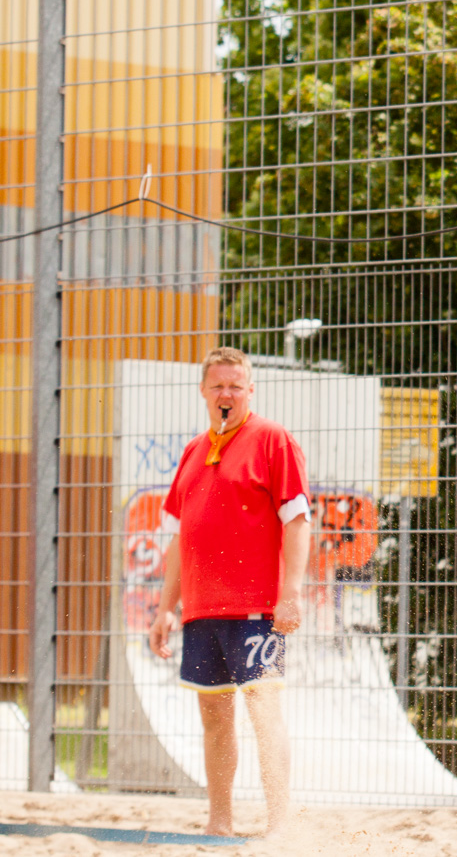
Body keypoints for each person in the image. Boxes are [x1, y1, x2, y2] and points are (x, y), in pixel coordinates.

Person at [147, 347, 311, 837]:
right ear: (203, 390)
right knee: (215, 718)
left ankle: (279, 822)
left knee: (263, 710)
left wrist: (292, 593)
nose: (226, 394)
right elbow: (180, 536)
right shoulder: (194, 451)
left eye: (236, 386)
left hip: (256, 608)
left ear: (250, 390)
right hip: (201, 610)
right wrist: (164, 609)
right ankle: (219, 822)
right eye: (218, 385)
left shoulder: (272, 439)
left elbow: (298, 520)